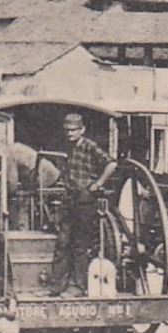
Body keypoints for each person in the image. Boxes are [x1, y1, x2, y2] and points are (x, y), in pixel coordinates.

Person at [49, 113, 117, 297]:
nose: (70, 133)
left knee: (80, 245)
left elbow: (111, 164)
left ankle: (78, 288)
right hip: (70, 198)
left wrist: (98, 184)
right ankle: (56, 286)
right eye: (67, 130)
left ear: (82, 130)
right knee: (62, 242)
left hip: (86, 198)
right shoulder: (68, 148)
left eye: (73, 130)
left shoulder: (90, 146)